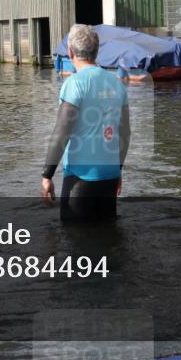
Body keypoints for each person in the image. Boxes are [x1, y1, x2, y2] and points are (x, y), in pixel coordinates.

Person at [41, 24, 130, 222]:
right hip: (110, 176)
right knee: (107, 238)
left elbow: (61, 132)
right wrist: (118, 169)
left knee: (76, 242)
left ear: (70, 52)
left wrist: (47, 175)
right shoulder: (117, 83)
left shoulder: (75, 83)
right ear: (96, 52)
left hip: (81, 179)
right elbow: (125, 134)